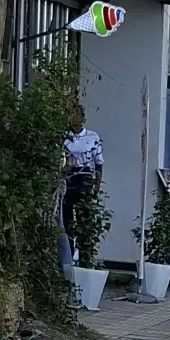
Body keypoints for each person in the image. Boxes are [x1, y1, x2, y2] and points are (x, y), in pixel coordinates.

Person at [62, 105, 103, 265]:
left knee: (84, 220)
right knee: (67, 222)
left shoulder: (92, 137)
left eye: (76, 114)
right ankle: (68, 258)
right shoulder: (63, 137)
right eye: (70, 114)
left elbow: (99, 164)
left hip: (84, 179)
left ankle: (85, 258)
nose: (73, 118)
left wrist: (96, 187)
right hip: (68, 179)